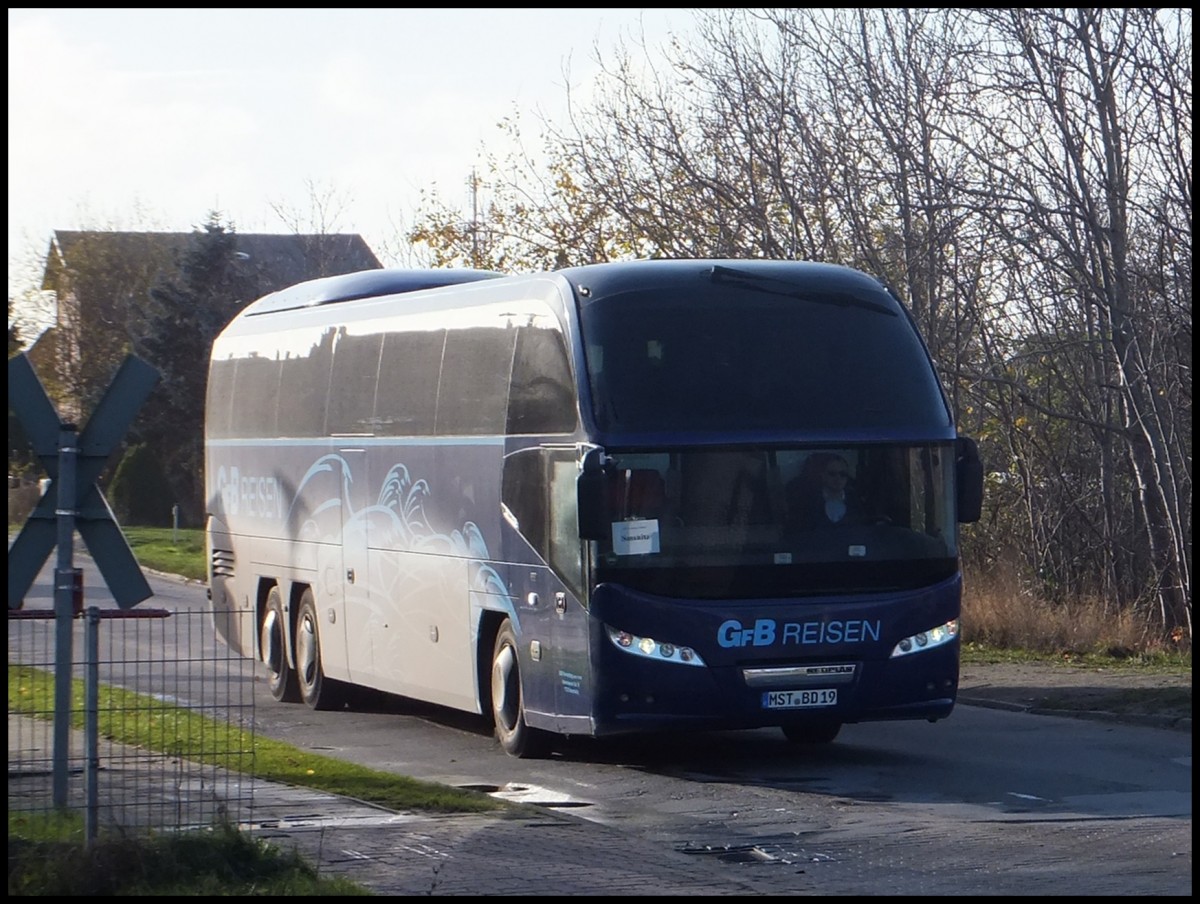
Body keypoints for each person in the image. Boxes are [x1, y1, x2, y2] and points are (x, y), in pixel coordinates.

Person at [786, 452, 863, 531]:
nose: (838, 478)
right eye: (832, 474)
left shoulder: (856, 501)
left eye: (842, 474)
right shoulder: (808, 502)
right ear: (823, 475)